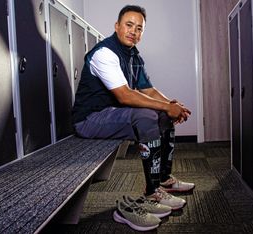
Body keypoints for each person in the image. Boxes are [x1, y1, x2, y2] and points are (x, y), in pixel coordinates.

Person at [72, 5, 195, 210]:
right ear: (117, 26)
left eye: (139, 28)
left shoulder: (134, 57)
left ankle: (163, 179)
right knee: (146, 116)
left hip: (112, 115)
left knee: (164, 116)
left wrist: (172, 106)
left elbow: (149, 90)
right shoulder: (105, 53)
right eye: (129, 25)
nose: (134, 31)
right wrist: (166, 106)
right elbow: (125, 95)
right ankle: (152, 193)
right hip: (89, 120)